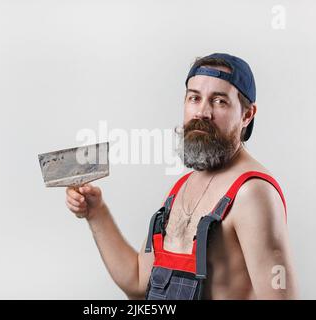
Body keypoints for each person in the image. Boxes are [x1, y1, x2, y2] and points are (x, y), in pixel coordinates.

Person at [65, 53, 299, 299]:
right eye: (194, 98)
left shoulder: (253, 193)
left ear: (247, 114)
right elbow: (138, 281)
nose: (202, 112)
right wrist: (96, 212)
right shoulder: (182, 188)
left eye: (219, 101)